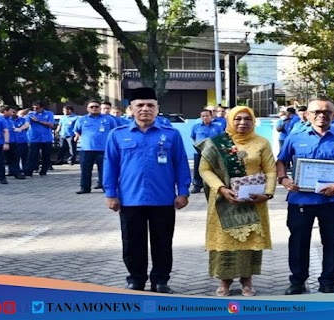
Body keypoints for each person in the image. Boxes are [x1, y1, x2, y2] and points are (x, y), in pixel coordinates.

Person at [103, 87, 191, 294]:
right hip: (130, 199)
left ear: (157, 108)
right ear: (131, 109)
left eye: (150, 105)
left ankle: (160, 280)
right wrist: (110, 194)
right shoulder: (118, 135)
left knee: (162, 243)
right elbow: (110, 165)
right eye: (140, 105)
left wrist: (183, 191)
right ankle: (136, 279)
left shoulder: (171, 134)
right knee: (132, 243)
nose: (145, 109)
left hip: (163, 199)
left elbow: (180, 164)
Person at [276, 98, 334, 295]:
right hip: (300, 199)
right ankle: (298, 281)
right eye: (316, 112)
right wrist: (283, 179)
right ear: (307, 115)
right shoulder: (295, 137)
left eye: (327, 112)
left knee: (331, 242)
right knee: (298, 242)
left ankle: (328, 281)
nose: (321, 115)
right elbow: (281, 160)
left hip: (333, 200)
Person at [196, 106, 276, 297]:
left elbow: (271, 171)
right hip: (225, 200)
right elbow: (204, 169)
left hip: (254, 200)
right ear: (230, 120)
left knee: (250, 241)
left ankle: (247, 281)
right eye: (238, 118)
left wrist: (268, 193)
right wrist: (221, 189)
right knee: (225, 242)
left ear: (253, 121)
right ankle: (225, 282)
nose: (242, 123)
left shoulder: (262, 143)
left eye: (247, 119)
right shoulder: (216, 143)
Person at [74, 101, 118, 194]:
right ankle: (85, 188)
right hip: (87, 149)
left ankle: (105, 187)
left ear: (99, 108)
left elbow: (114, 131)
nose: (94, 108)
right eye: (92, 106)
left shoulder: (109, 119)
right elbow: (77, 130)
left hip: (104, 149)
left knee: (104, 170)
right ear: (87, 109)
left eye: (96, 106)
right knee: (85, 170)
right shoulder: (81, 119)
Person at [189, 109, 223, 194]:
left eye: (207, 116)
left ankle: (212, 185)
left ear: (211, 116)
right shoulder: (196, 127)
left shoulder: (217, 127)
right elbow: (193, 137)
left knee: (212, 169)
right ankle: (197, 185)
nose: (205, 117)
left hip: (212, 152)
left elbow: (221, 138)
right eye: (203, 116)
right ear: (201, 117)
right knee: (197, 169)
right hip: (199, 151)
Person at [19, 101, 55, 177]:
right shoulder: (30, 114)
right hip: (34, 138)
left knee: (46, 155)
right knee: (32, 155)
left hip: (46, 138)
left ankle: (43, 171)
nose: (35, 109)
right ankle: (28, 171)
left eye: (37, 108)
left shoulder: (49, 114)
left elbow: (51, 124)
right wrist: (20, 129)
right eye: (34, 107)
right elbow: (26, 124)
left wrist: (38, 121)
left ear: (42, 107)